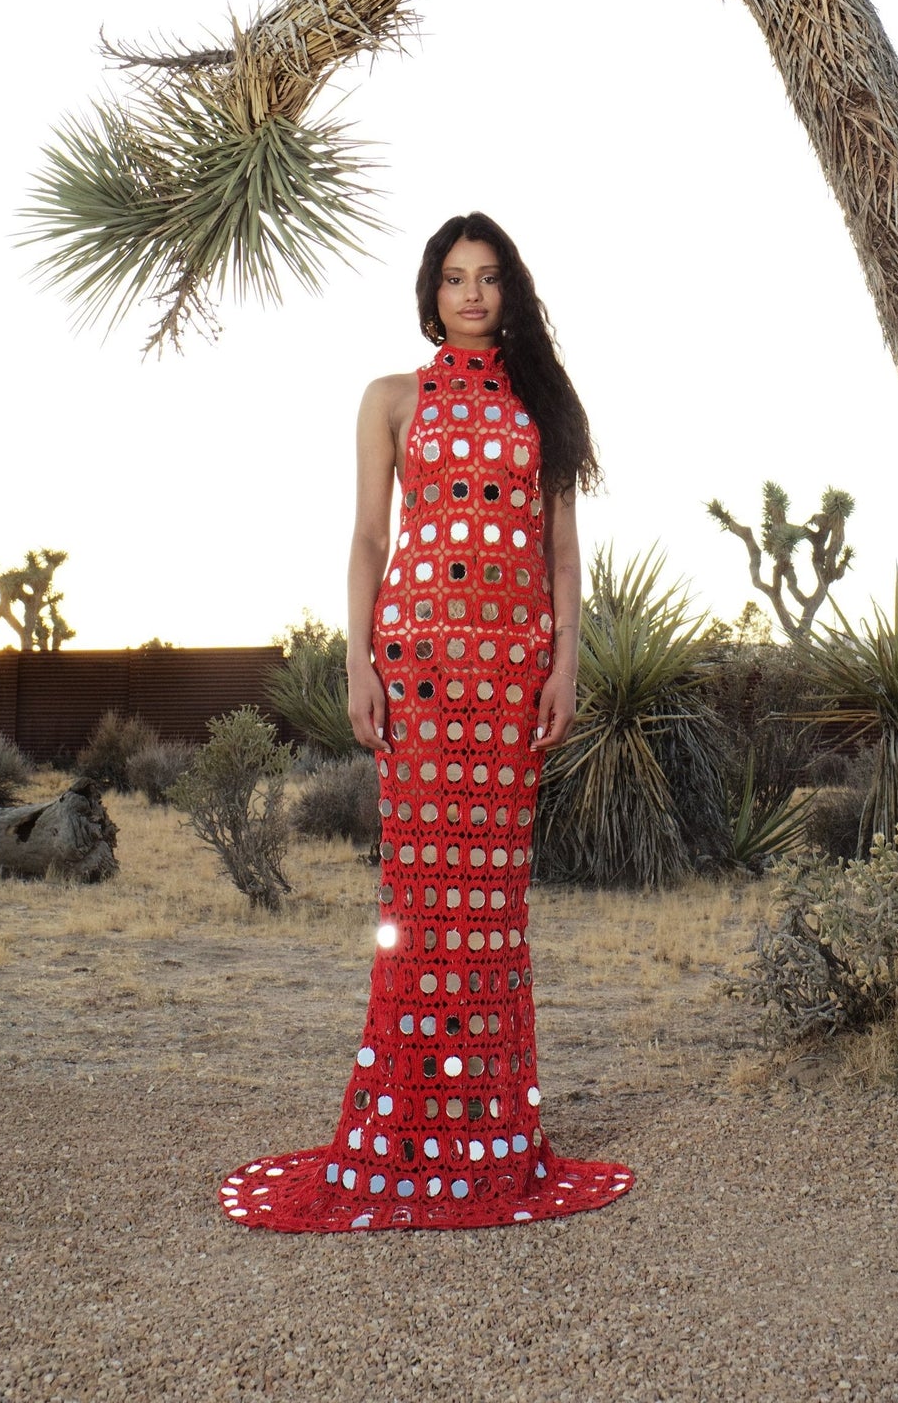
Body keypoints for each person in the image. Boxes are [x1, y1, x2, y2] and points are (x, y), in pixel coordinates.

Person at [218, 212, 635, 1233]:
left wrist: (564, 665)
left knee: (493, 902)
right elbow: (367, 536)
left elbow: (562, 554)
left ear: (511, 292)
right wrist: (360, 662)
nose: (473, 295)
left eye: (489, 277)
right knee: (417, 888)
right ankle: (405, 1120)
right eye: (455, 277)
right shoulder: (390, 398)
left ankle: (491, 1134)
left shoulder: (543, 404)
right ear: (430, 290)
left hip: (512, 676)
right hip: (416, 663)